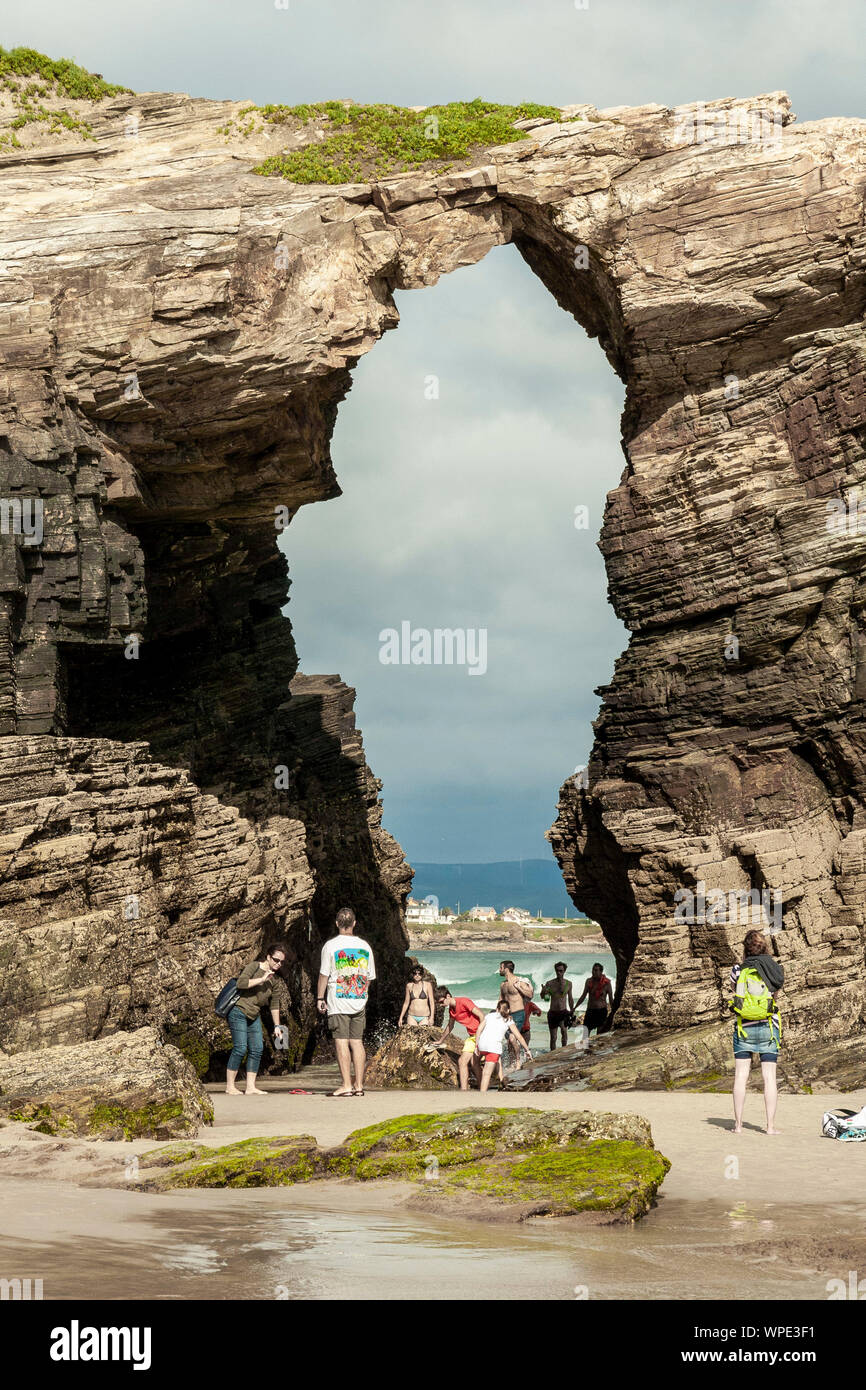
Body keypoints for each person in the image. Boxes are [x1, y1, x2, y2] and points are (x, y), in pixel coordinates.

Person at [729, 929, 784, 1135]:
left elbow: (736, 994)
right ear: (765, 947)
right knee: (769, 1077)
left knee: (740, 1076)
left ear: (745, 948)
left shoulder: (737, 969)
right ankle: (769, 1127)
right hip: (769, 1027)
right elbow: (775, 996)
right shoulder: (773, 969)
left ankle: (738, 1126)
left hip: (744, 1028)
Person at [316, 906, 376, 1097]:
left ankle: (346, 1085)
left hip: (338, 1000)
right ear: (354, 924)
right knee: (357, 1042)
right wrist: (362, 994)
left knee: (341, 1041)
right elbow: (369, 977)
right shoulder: (365, 946)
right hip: (359, 999)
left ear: (337, 924)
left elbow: (324, 975)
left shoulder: (331, 946)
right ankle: (359, 1086)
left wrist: (319, 998)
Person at [226, 944, 286, 1095]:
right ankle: (230, 1086)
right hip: (238, 1011)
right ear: (268, 957)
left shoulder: (276, 980)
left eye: (281, 962)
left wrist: (277, 1026)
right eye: (276, 960)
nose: (278, 964)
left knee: (257, 1049)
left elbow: (274, 1004)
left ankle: (250, 1087)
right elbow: (241, 982)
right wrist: (261, 979)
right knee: (240, 1048)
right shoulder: (254, 967)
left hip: (254, 1015)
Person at [434, 987, 485, 1089]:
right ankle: (464, 1090)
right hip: (472, 1037)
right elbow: (450, 1026)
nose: (441, 1005)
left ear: (448, 996)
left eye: (441, 1002)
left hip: (483, 1034)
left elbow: (481, 1016)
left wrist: (480, 1035)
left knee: (474, 1063)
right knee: (463, 1062)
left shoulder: (463, 1001)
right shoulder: (452, 1011)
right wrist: (440, 1040)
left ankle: (483, 1088)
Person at [476, 1001, 532, 1092]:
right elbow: (519, 1037)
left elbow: (479, 1029)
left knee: (497, 1057)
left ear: (497, 1009)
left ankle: (502, 1081)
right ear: (508, 1010)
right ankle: (482, 1096)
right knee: (486, 1074)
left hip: (482, 1046)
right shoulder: (508, 1019)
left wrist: (476, 1045)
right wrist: (527, 1050)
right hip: (493, 1048)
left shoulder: (489, 1016)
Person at [498, 960, 534, 1064]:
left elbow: (530, 994)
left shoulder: (519, 981)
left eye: (501, 967)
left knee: (512, 1038)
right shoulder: (502, 985)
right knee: (509, 1041)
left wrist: (519, 988)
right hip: (507, 1015)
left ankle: (518, 1061)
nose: (499, 970)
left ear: (506, 969)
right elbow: (501, 1000)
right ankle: (511, 1062)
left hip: (518, 1014)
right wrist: (497, 1013)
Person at [541, 962, 575, 1050]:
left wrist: (572, 1011)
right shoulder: (550, 983)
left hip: (563, 1012)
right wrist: (543, 992)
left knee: (564, 1033)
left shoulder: (568, 983)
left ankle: (563, 1052)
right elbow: (546, 999)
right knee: (553, 1037)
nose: (559, 973)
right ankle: (552, 1055)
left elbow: (570, 999)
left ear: (564, 971)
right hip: (553, 1013)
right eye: (557, 971)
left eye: (561, 971)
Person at [575, 963, 614, 1037]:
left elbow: (611, 999)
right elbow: (583, 996)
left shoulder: (607, 983)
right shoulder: (589, 981)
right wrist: (575, 1008)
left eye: (596, 970)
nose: (593, 972)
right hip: (590, 1010)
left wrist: (613, 1011)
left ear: (601, 971)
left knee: (599, 1035)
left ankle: (596, 1048)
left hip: (601, 1011)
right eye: (593, 970)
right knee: (585, 1033)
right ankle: (585, 1048)